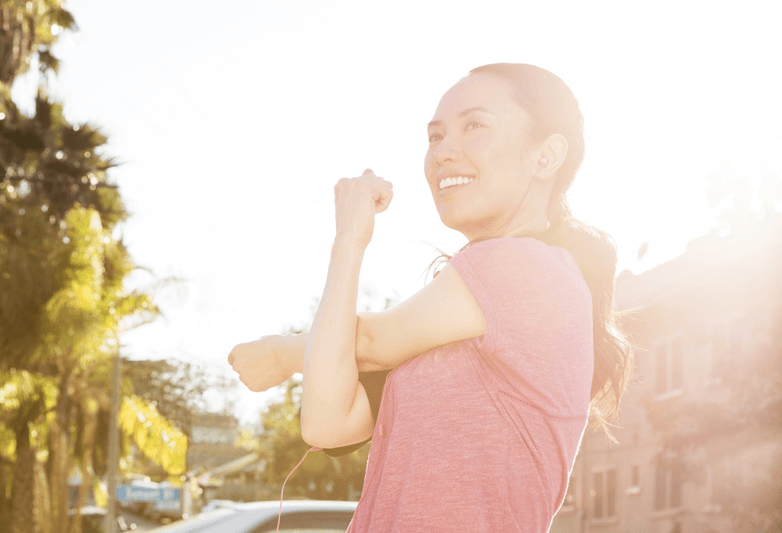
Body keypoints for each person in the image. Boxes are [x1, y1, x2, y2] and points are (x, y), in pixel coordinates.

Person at [229, 63, 632, 532]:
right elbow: (326, 423)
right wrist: (347, 244)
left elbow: (372, 342)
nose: (443, 151)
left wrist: (283, 352)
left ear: (546, 156)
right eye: (435, 136)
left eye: (474, 126)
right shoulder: (447, 327)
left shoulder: (529, 267)